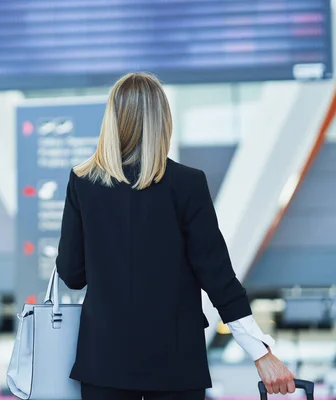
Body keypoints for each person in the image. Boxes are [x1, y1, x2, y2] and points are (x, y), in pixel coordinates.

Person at [56, 72, 296, 400]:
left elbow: (71, 275)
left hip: (103, 362)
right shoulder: (187, 184)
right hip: (176, 366)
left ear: (111, 120)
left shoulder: (82, 183)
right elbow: (218, 277)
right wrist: (260, 353)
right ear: (163, 121)